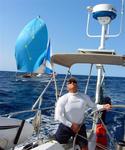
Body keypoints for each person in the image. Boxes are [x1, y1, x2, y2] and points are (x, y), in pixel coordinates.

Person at [54, 77, 111, 150]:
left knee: (85, 147)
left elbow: (94, 106)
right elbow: (58, 116)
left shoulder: (84, 97)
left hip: (80, 127)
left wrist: (103, 106)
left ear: (77, 85)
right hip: (66, 126)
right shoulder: (63, 98)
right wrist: (71, 125)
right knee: (56, 145)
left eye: (74, 82)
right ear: (67, 87)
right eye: (70, 82)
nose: (72, 83)